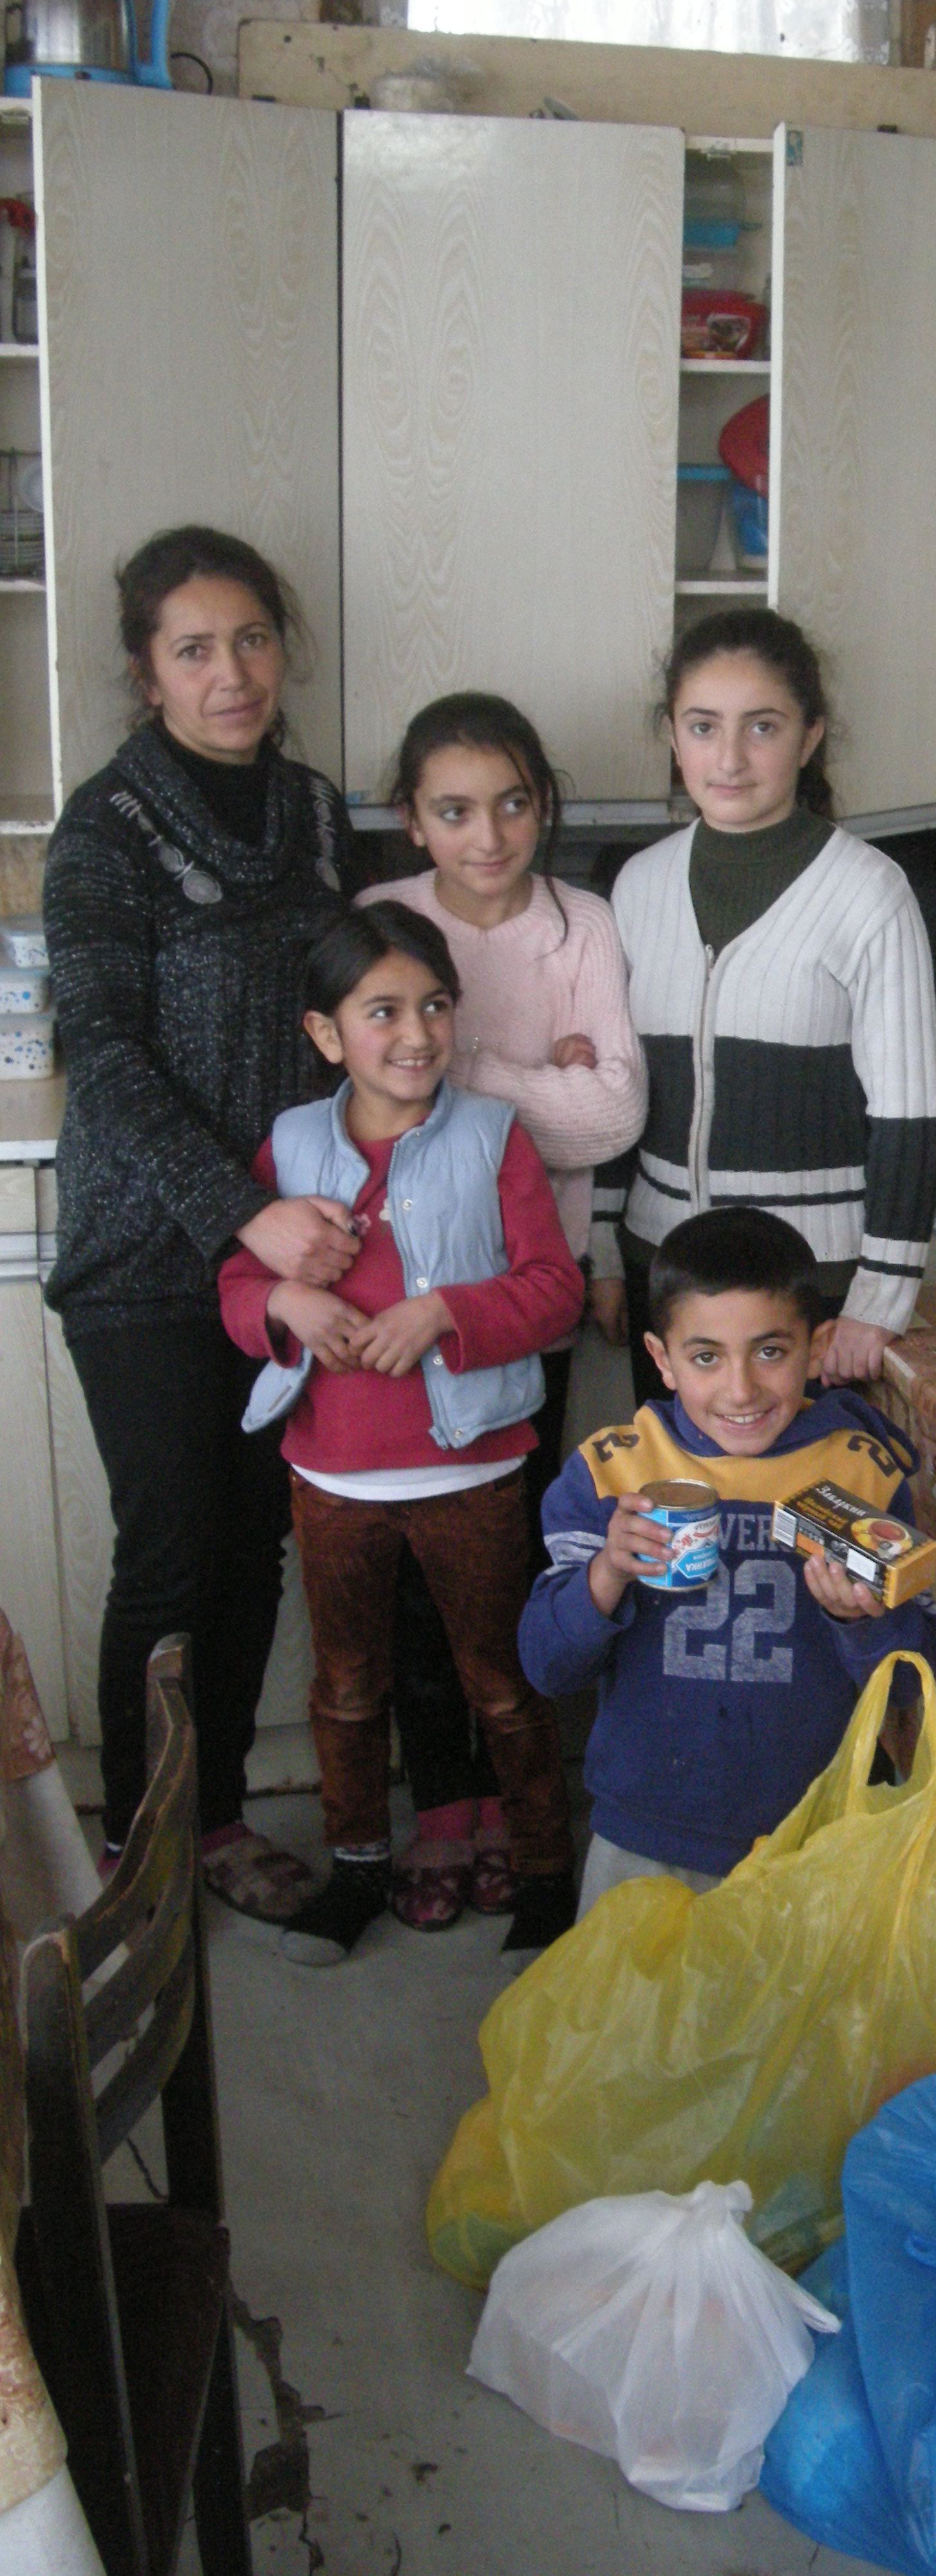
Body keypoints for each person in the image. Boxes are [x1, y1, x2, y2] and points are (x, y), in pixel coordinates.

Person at [42, 525, 358, 1924]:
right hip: (150, 1252)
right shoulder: (103, 827)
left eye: (250, 639)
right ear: (145, 670)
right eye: (193, 648)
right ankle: (141, 1853)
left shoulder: (314, 808)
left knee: (253, 1546)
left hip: (288, 1244)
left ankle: (217, 1815)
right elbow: (99, 1056)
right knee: (170, 1548)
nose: (229, 672)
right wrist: (245, 1214)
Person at [218, 905, 583, 1964]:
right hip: (334, 1473)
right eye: (383, 1011)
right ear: (328, 1034)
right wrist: (289, 1308)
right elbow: (240, 1289)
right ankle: (358, 1871)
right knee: (344, 1686)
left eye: (434, 1006)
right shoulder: (288, 1145)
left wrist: (446, 1315)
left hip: (474, 1467)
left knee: (502, 1681)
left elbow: (553, 1290)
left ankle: (546, 1873)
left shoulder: (494, 1133)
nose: (416, 1033)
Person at [359, 692, 644, 1931]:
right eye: (455, 810)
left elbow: (615, 1119)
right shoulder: (386, 926)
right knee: (410, 1571)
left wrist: (464, 1070)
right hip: (398, 1285)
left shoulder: (584, 922)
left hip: (531, 1280)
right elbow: (380, 1097)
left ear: (545, 806)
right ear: (410, 819)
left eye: (514, 804)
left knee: (516, 1553)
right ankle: (444, 1810)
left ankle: (529, 1821)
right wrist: (541, 1075)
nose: (489, 837)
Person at [518, 1206, 936, 1913]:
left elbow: (911, 1686)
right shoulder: (612, 1473)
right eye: (706, 1356)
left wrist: (862, 1623)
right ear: (661, 1359)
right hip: (649, 1831)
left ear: (818, 1347)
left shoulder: (860, 1472)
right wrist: (608, 1573)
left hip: (821, 1831)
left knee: (806, 2023)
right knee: (647, 2022)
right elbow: (545, 1664)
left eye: (771, 1352)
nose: (741, 1390)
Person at [604, 608, 936, 1403]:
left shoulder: (868, 893)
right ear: (671, 734)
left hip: (808, 1295)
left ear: (810, 736)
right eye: (702, 726)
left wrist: (880, 1299)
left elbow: (911, 1117)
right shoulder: (639, 886)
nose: (728, 757)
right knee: (679, 1510)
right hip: (668, 1276)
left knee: (806, 1517)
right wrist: (600, 1251)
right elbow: (614, 1089)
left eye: (762, 726)